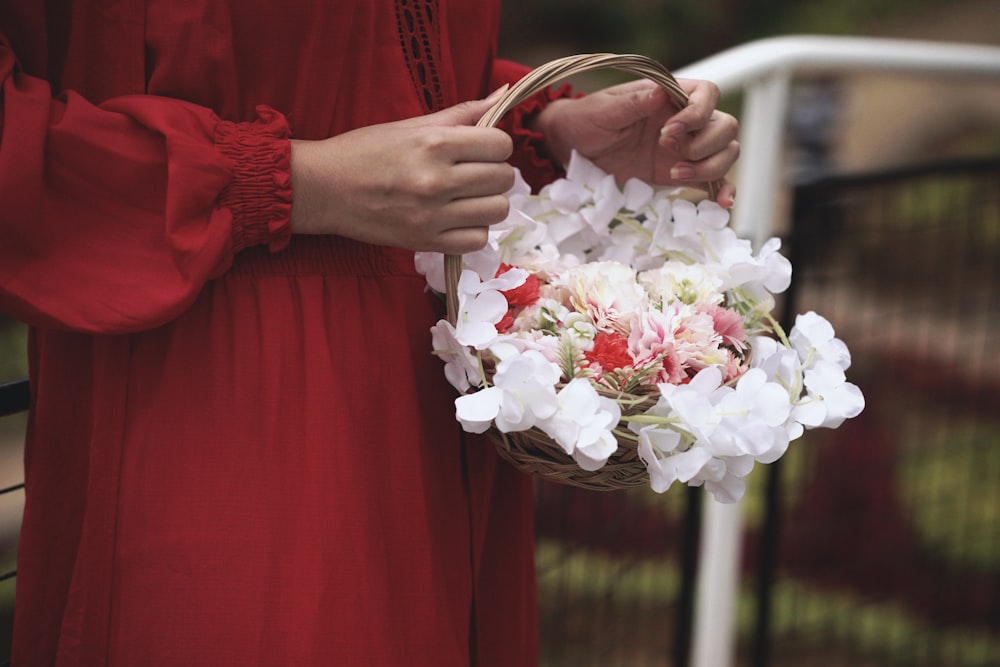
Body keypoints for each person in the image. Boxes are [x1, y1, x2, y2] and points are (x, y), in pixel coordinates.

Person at [0, 2, 738, 665]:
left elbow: (394, 69)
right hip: (213, 399)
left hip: (436, 383)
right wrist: (297, 179)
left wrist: (540, 138)